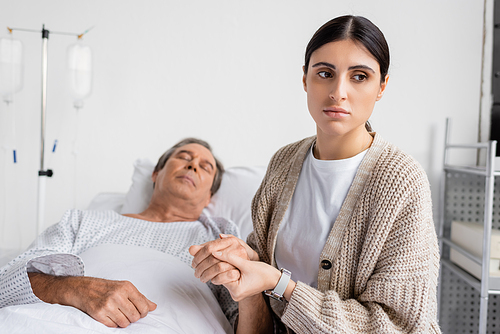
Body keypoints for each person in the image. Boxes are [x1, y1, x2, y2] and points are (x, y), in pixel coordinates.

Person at [190, 15, 441, 333]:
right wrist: (243, 262)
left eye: (360, 76)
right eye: (325, 73)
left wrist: (280, 284)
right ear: (306, 79)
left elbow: (397, 325)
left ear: (382, 86)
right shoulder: (283, 164)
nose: (339, 92)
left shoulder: (402, 182)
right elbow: (262, 286)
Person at [0, 138, 241, 329]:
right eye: (184, 157)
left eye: (205, 167)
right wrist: (75, 289)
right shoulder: (84, 220)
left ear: (210, 196)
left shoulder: (220, 237)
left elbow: (249, 323)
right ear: (156, 174)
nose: (192, 165)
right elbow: (7, 283)